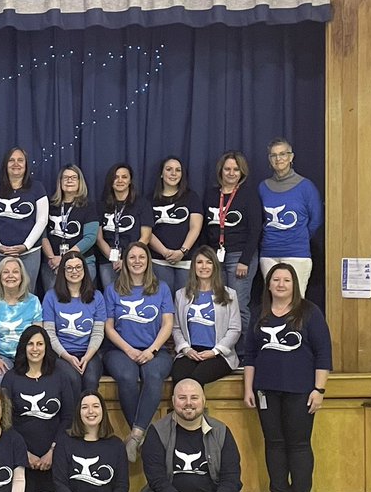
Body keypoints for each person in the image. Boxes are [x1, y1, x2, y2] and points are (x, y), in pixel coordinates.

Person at [243, 262, 332, 492]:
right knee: (274, 444)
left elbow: (323, 354)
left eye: (286, 280)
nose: (281, 284)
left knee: (299, 444)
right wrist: (249, 388)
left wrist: (319, 389)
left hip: (301, 391)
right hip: (265, 391)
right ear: (268, 284)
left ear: (295, 284)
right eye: (276, 280)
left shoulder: (310, 312)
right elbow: (250, 355)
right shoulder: (259, 313)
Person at [141, 379, 264, 492]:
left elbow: (232, 479)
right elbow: (157, 482)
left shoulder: (221, 431)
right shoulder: (157, 432)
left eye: (194, 397)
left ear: (204, 400)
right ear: (173, 400)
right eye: (182, 398)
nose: (188, 403)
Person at [102, 242, 174, 463]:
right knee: (127, 376)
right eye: (132, 257)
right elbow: (108, 326)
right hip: (120, 350)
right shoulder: (113, 289)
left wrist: (151, 350)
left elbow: (167, 324)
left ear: (148, 261)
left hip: (156, 350)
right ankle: (144, 436)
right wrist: (129, 349)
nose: (136, 261)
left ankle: (135, 435)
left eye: (141, 257)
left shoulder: (161, 288)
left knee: (153, 375)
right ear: (124, 261)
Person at [50, 391, 146, 492]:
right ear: (78, 412)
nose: (90, 411)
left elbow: (122, 486)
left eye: (95, 406)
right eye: (85, 407)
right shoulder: (65, 442)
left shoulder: (116, 445)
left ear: (103, 411)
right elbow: (60, 484)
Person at [1, 326, 74, 492]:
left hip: (54, 455)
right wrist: (24, 453)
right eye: (30, 344)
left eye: (40, 344)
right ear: (23, 347)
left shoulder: (60, 377)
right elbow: (4, 420)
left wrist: (52, 452)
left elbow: (68, 417)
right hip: (20, 457)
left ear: (46, 347)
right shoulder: (10, 378)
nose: (35, 349)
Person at [203, 150, 262, 352]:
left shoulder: (249, 195)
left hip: (240, 257)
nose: (231, 173)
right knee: (218, 305)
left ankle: (246, 353)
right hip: (215, 257)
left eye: (236, 169)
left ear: (242, 172)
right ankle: (222, 349)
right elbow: (205, 228)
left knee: (238, 305)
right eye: (227, 169)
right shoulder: (211, 194)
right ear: (221, 170)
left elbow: (256, 230)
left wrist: (245, 260)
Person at [259, 138, 322, 296]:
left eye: (282, 154)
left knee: (295, 303)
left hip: (297, 253)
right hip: (269, 253)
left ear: (291, 157)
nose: (278, 159)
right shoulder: (263, 187)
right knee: (272, 300)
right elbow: (259, 219)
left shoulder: (306, 186)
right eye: (273, 155)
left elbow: (316, 219)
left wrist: (299, 237)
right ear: (269, 159)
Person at [171, 247, 241, 386]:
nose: (204, 266)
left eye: (208, 262)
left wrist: (215, 351)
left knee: (196, 379)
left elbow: (235, 329)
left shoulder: (229, 294)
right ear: (193, 266)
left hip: (219, 354)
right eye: (199, 262)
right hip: (190, 352)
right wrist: (186, 349)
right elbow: (176, 327)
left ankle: (196, 408)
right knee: (179, 377)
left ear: (215, 266)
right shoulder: (181, 295)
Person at [41, 252, 105, 398]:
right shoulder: (51, 297)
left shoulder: (97, 297)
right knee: (73, 379)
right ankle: (73, 420)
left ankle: (88, 418)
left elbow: (98, 332)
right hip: (61, 354)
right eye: (69, 268)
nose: (74, 271)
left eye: (78, 267)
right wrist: (67, 356)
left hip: (89, 353)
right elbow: (49, 333)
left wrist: (87, 356)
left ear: (84, 270)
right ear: (62, 271)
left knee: (90, 380)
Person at [0, 147, 48, 291]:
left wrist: (26, 245)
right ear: (5, 165)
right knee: (1, 294)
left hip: (29, 253)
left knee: (27, 294)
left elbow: (42, 220)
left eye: (20, 160)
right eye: (11, 160)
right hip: (0, 253)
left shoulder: (37, 188)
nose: (16, 164)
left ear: (26, 165)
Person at [0, 256, 42, 385]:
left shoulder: (33, 301)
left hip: (28, 356)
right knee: (1, 378)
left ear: (22, 276)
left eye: (15, 271)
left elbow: (38, 335)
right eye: (6, 272)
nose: (10, 275)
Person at [147, 156, 204, 295]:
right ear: (161, 173)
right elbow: (147, 230)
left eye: (178, 170)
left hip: (186, 261)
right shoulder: (150, 199)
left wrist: (182, 251)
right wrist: (165, 252)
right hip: (159, 260)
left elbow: (196, 227)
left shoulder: (191, 197)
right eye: (169, 169)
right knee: (164, 303)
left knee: (184, 303)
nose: (173, 173)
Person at [95, 162, 153, 290]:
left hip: (134, 262)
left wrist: (127, 259)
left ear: (130, 180)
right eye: (116, 177)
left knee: (133, 298)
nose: (120, 180)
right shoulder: (101, 206)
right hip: (108, 261)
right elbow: (99, 238)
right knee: (111, 298)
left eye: (124, 177)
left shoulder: (142, 204)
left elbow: (146, 236)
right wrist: (113, 258)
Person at [41, 164, 99, 290]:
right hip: (52, 264)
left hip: (82, 263)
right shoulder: (49, 205)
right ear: (60, 182)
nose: (69, 180)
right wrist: (52, 259)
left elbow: (90, 237)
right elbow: (42, 235)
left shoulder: (89, 206)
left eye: (73, 177)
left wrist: (64, 258)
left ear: (80, 182)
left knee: (81, 302)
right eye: (65, 177)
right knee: (54, 302)